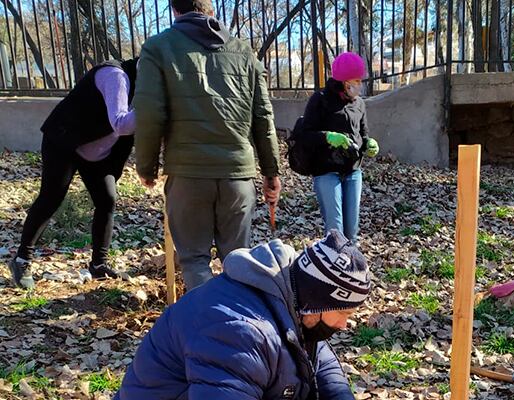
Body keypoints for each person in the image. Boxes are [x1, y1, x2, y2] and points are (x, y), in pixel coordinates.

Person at [115, 230, 370, 399]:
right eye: (343, 311)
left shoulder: (294, 305)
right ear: (315, 302)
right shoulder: (237, 330)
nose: (345, 324)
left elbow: (321, 367)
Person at [134, 0, 281, 291]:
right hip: (237, 175)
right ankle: (239, 329)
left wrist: (146, 167)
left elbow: (150, 113)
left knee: (194, 260)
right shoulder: (244, 53)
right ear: (210, 10)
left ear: (174, 10)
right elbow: (263, 116)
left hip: (188, 175)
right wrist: (271, 171)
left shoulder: (158, 48)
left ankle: (205, 330)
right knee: (238, 261)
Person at [7, 58, 139, 289]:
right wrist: (155, 110)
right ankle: (22, 259)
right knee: (51, 198)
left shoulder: (147, 86)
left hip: (96, 149)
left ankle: (99, 265)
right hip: (64, 139)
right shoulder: (115, 77)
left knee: (107, 200)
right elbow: (121, 123)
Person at [301, 52, 379, 244]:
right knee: (335, 232)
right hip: (326, 171)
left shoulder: (359, 103)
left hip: (353, 171)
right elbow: (305, 135)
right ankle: (333, 270)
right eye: (356, 80)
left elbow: (363, 133)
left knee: (351, 232)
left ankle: (351, 270)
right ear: (343, 81)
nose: (359, 85)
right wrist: (327, 137)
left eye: (361, 80)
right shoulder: (319, 99)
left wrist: (369, 144)